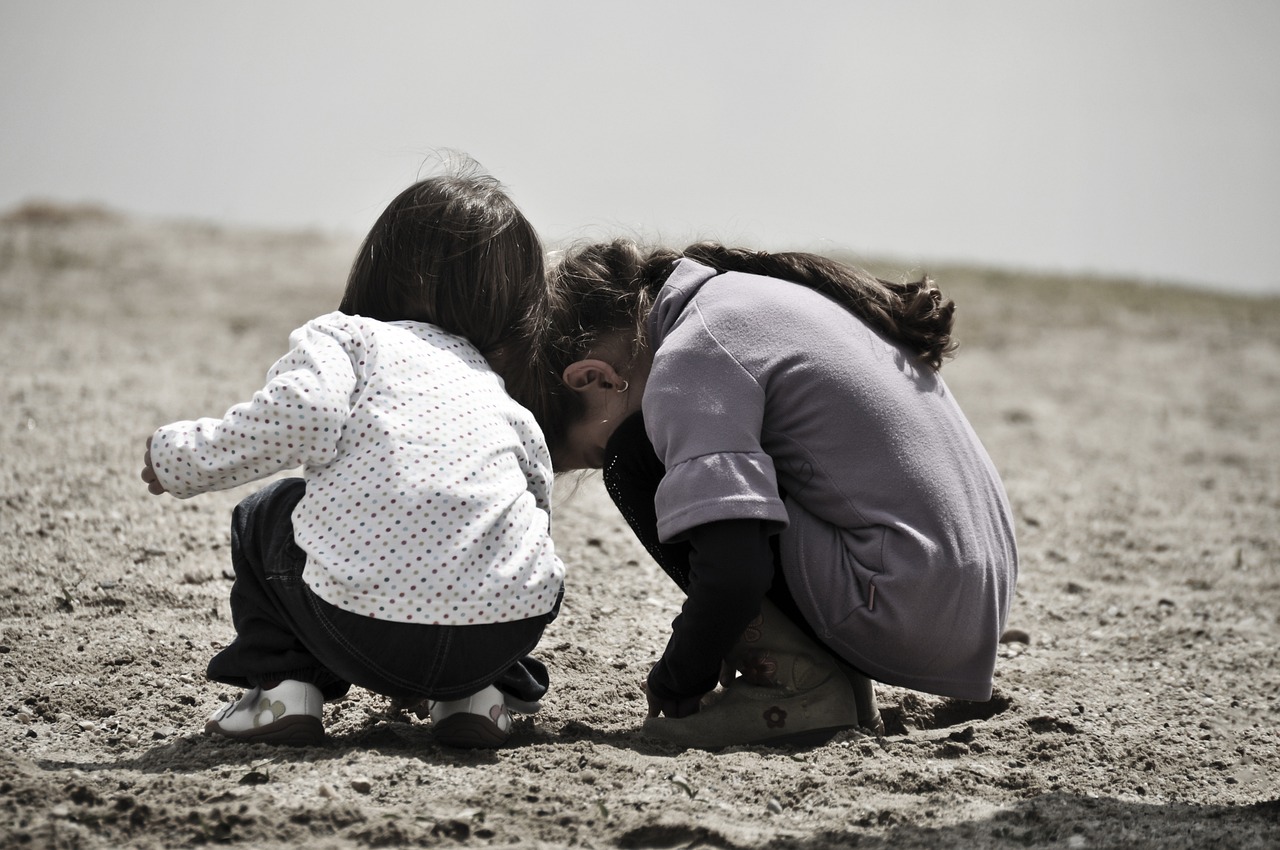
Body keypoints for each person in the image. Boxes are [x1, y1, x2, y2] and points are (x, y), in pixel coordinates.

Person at [526, 240, 1018, 748]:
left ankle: (793, 687)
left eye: (591, 449)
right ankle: (836, 684)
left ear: (593, 378)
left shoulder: (692, 354)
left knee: (635, 457)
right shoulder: (741, 298)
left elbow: (734, 569)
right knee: (727, 477)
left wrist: (680, 675)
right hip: (960, 592)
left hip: (902, 604)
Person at [140, 169, 565, 748]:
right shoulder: (490, 385)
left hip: (361, 628)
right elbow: (536, 503)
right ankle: (478, 698)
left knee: (269, 509)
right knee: (504, 539)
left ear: (382, 264)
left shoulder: (351, 336)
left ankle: (286, 694)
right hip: (495, 638)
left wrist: (181, 456)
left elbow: (302, 414)